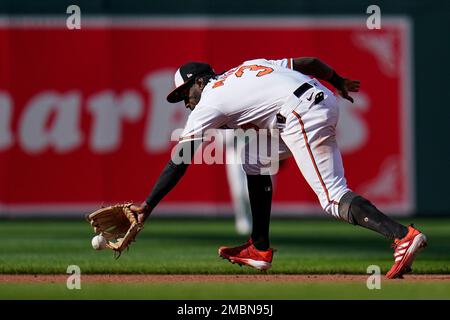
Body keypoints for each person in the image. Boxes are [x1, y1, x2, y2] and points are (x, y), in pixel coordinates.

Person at [131, 57, 427, 279]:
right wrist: (337, 81)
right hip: (319, 100)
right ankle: (259, 248)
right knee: (254, 157)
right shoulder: (247, 67)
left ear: (199, 82)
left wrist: (147, 206)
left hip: (301, 114)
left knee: (332, 198)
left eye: (185, 94)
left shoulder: (209, 100)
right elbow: (310, 62)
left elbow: (180, 159)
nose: (186, 102)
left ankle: (403, 236)